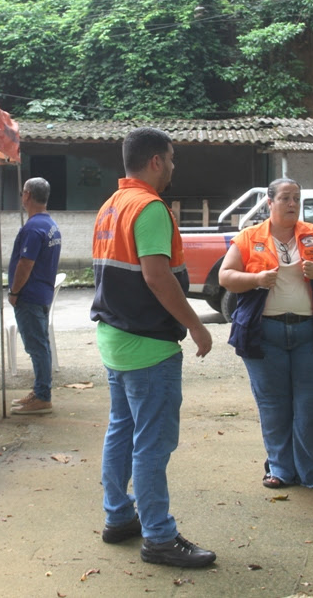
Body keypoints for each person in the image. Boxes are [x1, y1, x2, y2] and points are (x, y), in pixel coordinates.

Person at [91, 126, 216, 569]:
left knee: (121, 430)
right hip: (148, 344)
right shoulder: (149, 208)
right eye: (173, 158)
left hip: (115, 339)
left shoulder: (110, 206)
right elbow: (157, 276)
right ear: (156, 161)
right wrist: (197, 327)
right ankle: (159, 537)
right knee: (151, 443)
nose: (174, 167)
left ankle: (118, 516)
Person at [218, 178, 313, 491]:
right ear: (270, 201)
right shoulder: (249, 236)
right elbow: (226, 276)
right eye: (286, 198)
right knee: (274, 405)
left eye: (297, 199)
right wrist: (257, 278)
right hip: (265, 333)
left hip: (310, 333)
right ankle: (280, 469)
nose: (292, 204)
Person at [8, 177, 62, 416]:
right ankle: (40, 391)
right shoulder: (50, 225)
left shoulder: (33, 228)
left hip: (29, 295)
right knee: (41, 344)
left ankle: (42, 396)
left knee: (37, 347)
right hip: (42, 293)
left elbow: (25, 264)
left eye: (22, 193)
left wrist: (14, 291)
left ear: (27, 194)